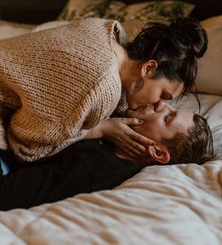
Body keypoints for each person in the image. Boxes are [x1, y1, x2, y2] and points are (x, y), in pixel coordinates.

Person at [0, 17, 207, 161]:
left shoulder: (107, 30)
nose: (160, 105)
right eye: (163, 95)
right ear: (149, 68)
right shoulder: (103, 84)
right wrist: (100, 129)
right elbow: (25, 146)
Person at [0, 101, 214, 210]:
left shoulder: (94, 169)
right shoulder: (110, 133)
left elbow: (7, 193)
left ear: (156, 151)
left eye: (167, 117)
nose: (161, 104)